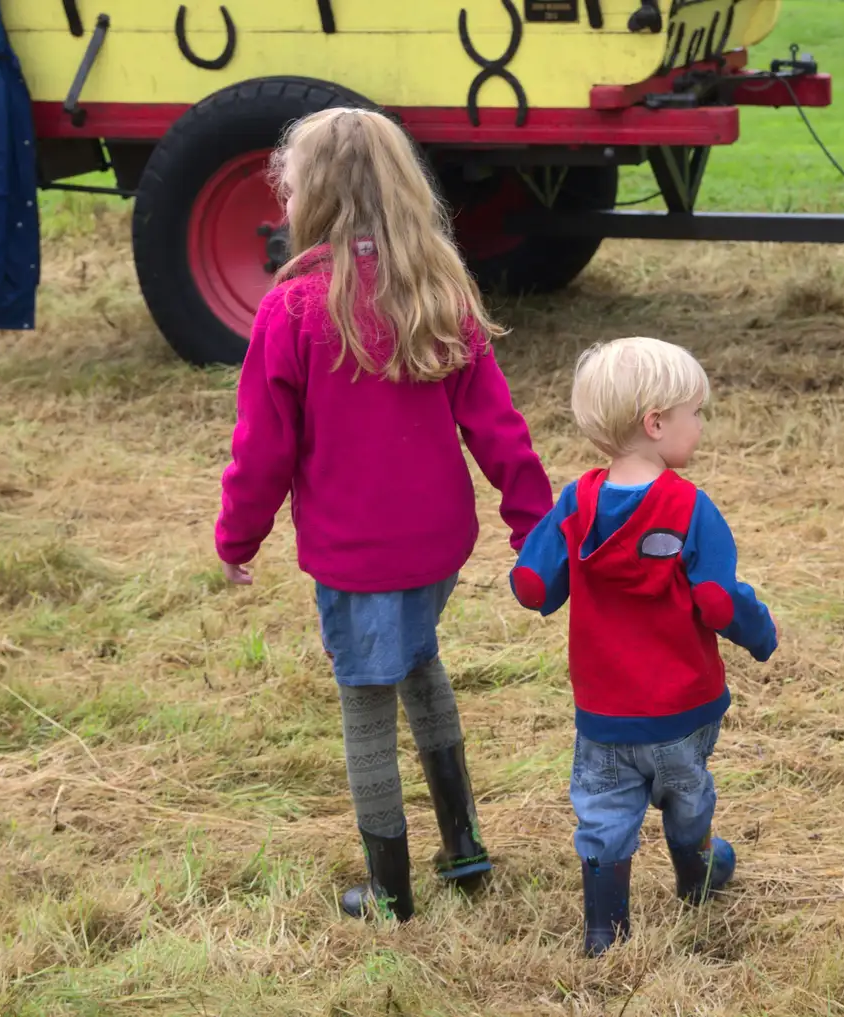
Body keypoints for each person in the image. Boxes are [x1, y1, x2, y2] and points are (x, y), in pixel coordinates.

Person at [213, 106, 553, 923]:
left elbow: (263, 447)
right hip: (436, 545)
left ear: (311, 199)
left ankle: (392, 889)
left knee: (366, 699)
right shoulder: (436, 287)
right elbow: (497, 424)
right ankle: (464, 848)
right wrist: (532, 522)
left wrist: (237, 535)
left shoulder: (291, 310)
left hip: (355, 550)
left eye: (288, 187)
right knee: (419, 663)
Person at [508, 336, 778, 955]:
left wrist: (539, 556)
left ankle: (605, 929)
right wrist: (760, 633)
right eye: (696, 413)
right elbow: (717, 599)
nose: (701, 425)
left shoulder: (576, 502)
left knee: (604, 813)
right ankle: (697, 875)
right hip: (682, 707)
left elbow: (530, 586)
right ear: (657, 424)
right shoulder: (690, 507)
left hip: (604, 713)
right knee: (688, 795)